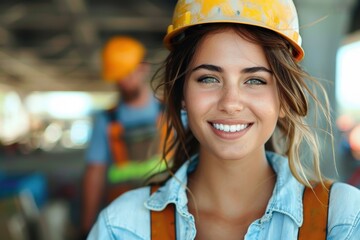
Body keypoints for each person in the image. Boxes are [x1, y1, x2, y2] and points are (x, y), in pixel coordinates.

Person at [88, 0, 360, 239]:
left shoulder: (344, 219)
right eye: (209, 78)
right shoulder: (123, 227)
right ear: (183, 93)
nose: (230, 103)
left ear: (284, 100)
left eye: (255, 80)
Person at [80, 36, 166, 238]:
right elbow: (95, 173)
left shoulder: (171, 112)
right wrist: (86, 226)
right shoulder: (106, 120)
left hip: (168, 210)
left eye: (127, 73)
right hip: (122, 218)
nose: (123, 82)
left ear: (143, 67)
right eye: (118, 76)